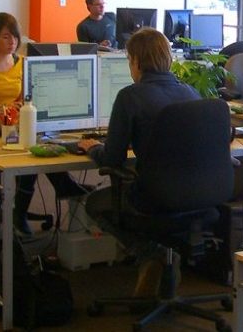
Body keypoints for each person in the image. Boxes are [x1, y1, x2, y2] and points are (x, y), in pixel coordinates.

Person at [78, 28, 199, 298]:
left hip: (154, 196)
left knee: (94, 203)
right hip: (198, 195)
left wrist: (94, 147)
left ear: (135, 61)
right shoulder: (190, 92)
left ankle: (151, 254)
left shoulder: (130, 96)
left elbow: (112, 159)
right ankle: (166, 260)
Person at [0, 12, 87, 234]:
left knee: (44, 146)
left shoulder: (22, 63)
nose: (12, 43)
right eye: (6, 37)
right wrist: (1, 108)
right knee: (31, 154)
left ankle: (32, 204)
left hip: (20, 123)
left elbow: (26, 96)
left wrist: (20, 106)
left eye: (15, 38)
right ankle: (33, 205)